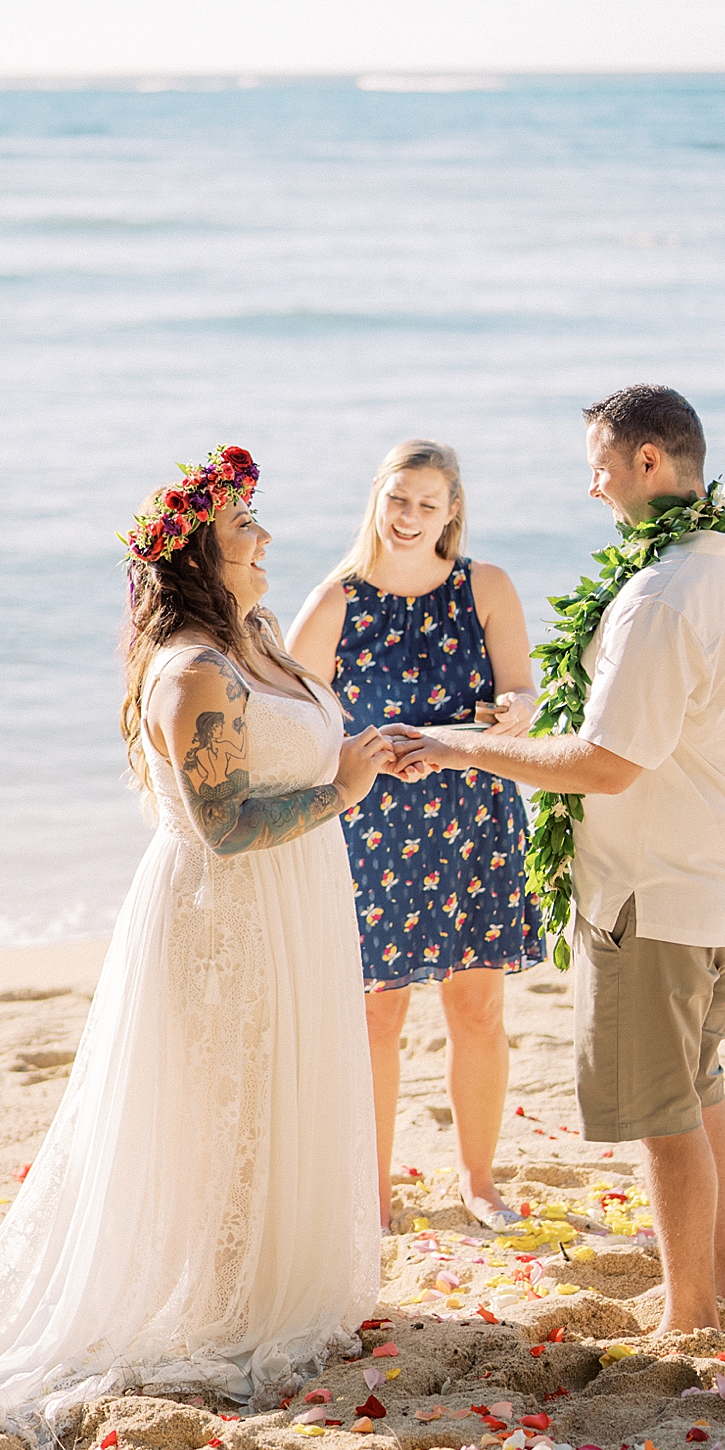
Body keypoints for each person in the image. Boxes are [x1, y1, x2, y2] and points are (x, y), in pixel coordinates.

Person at [0, 444, 394, 1450]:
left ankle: (265, 1288)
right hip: (226, 914)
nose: (264, 537)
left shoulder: (256, 635)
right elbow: (223, 826)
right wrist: (342, 790)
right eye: (243, 526)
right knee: (224, 1109)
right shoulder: (193, 677)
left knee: (275, 1095)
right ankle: (219, 1305)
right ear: (201, 558)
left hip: (294, 903)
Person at [391, 390, 725, 1334]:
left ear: (649, 462)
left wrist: (460, 747)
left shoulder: (661, 596)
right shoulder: (723, 562)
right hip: (711, 870)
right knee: (699, 1084)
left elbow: (607, 764)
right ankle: (713, 1287)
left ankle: (689, 1316)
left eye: (600, 463)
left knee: (662, 1110)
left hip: (650, 889)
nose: (589, 483)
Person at [288, 440, 543, 1235]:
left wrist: (516, 711)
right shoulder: (335, 599)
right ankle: (372, 1191)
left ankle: (478, 1180)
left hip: (473, 816)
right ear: (377, 497)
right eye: (398, 500)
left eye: (427, 505)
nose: (408, 518)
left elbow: (522, 691)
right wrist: (359, 759)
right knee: (377, 1017)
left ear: (452, 512)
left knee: (477, 1008)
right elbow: (293, 727)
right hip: (373, 826)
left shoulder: (487, 587)